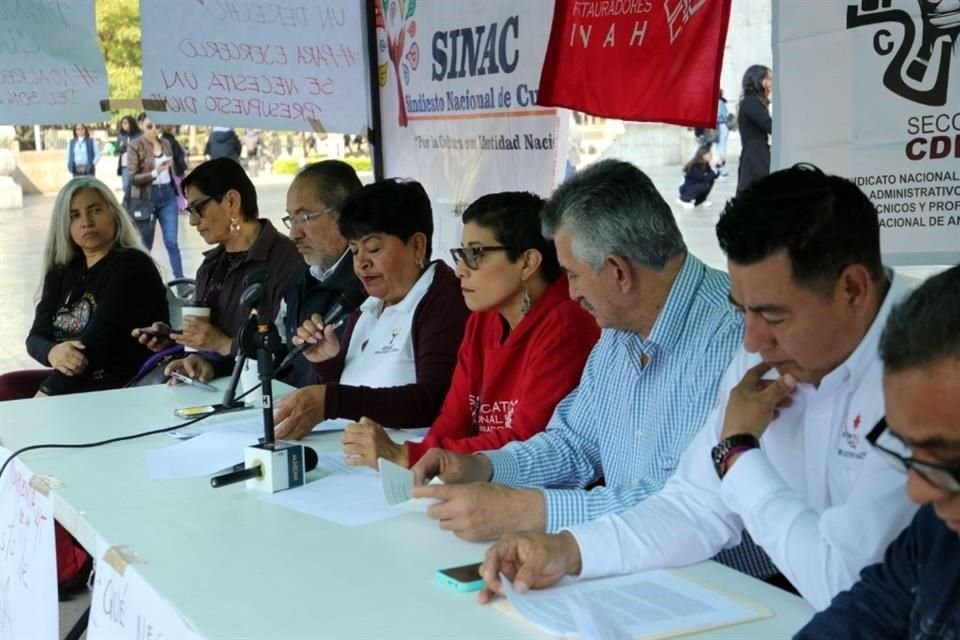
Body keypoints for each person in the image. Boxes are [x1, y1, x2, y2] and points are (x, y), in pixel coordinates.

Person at [476, 164, 918, 611]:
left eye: (774, 316)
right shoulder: (768, 350)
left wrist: (738, 453)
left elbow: (852, 585)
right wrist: (570, 551)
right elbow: (694, 505)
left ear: (853, 290)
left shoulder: (931, 364)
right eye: (742, 310)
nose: (750, 340)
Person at [409, 160, 744, 546]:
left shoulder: (730, 333)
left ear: (618, 271)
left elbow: (681, 503)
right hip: (637, 560)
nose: (570, 294)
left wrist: (529, 510)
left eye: (573, 274)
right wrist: (482, 466)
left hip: (733, 584)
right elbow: (573, 444)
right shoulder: (620, 329)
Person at [340, 192, 599, 470]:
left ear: (527, 262)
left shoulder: (567, 324)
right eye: (461, 254)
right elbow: (454, 418)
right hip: (474, 480)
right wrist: (418, 459)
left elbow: (526, 443)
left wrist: (409, 456)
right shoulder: (482, 318)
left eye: (475, 254)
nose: (461, 269)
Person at [795, 265, 960, 639]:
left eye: (951, 458)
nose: (918, 492)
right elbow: (865, 613)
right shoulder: (937, 536)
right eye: (907, 449)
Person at [272, 179, 470, 440]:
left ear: (417, 246)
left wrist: (332, 400)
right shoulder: (367, 301)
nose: (362, 263)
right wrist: (329, 365)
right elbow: (354, 395)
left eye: (374, 248)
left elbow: (434, 400)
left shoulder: (444, 298)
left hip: (412, 465)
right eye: (354, 251)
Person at [167, 160, 364, 388]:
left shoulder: (293, 264)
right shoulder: (305, 279)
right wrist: (209, 364)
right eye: (291, 219)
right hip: (262, 398)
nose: (294, 233)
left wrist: (224, 345)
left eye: (305, 217)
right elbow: (280, 355)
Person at [0, 177, 167, 400]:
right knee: (7, 386)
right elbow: (35, 338)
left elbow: (92, 346)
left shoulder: (131, 265)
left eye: (95, 210)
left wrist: (45, 395)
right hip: (76, 381)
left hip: (122, 385)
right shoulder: (62, 271)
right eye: (74, 216)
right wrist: (51, 352)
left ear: (113, 213)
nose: (86, 221)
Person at [133, 158, 302, 357]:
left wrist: (224, 345)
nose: (194, 221)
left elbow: (291, 350)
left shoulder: (288, 261)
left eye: (198, 208)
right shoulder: (210, 266)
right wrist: (175, 338)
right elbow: (205, 341)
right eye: (189, 211)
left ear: (231, 201)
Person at [126, 113, 185, 278]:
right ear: (141, 126)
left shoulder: (166, 143)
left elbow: (177, 169)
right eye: (149, 126)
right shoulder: (135, 145)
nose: (154, 130)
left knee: (172, 242)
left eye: (157, 126)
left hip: (167, 195)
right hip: (146, 198)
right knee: (146, 245)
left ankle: (181, 282)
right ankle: (144, 282)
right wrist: (154, 173)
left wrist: (172, 166)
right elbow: (132, 177)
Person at [737, 64, 773, 194]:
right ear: (759, 81)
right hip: (755, 157)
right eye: (769, 79)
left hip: (757, 154)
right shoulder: (751, 102)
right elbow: (770, 125)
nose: (771, 83)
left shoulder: (753, 102)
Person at [677, 144, 719, 209]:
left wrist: (717, 167)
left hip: (693, 186)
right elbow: (704, 179)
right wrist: (714, 170)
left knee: (710, 181)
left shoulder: (705, 164)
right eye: (709, 154)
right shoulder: (695, 166)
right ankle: (683, 199)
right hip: (685, 189)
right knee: (705, 184)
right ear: (703, 155)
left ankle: (700, 200)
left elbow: (713, 176)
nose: (711, 155)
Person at [160, 125, 189, 212]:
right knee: (179, 188)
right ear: (171, 129)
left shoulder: (161, 141)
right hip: (175, 169)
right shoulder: (173, 141)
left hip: (166, 170)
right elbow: (178, 156)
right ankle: (181, 207)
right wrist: (183, 168)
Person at [115, 116, 140, 193]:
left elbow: (138, 147)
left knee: (135, 186)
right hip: (124, 164)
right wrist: (125, 147)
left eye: (125, 123)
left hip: (135, 164)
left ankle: (135, 203)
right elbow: (117, 148)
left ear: (131, 123)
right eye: (122, 123)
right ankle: (127, 203)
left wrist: (126, 147)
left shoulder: (138, 134)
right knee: (125, 186)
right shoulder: (121, 135)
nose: (123, 125)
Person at [714, 90, 732, 178]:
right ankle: (722, 170)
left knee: (720, 148)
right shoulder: (721, 102)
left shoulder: (718, 102)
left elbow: (717, 116)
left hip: (721, 126)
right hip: (721, 126)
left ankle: (722, 170)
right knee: (720, 148)